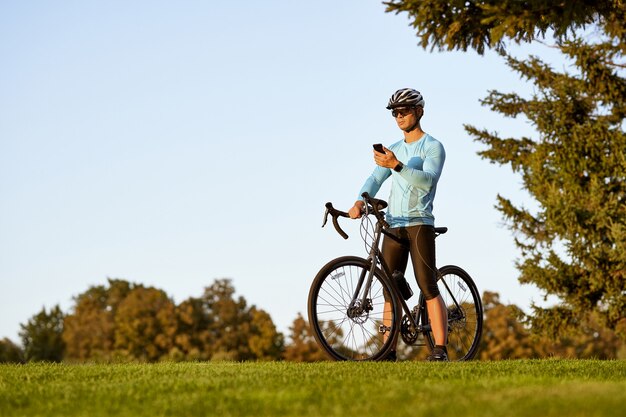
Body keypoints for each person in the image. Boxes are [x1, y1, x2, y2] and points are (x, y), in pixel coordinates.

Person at [347, 88, 448, 361]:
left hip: (419, 222)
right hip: (394, 222)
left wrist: (398, 166)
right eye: (395, 113)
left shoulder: (432, 146)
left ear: (419, 112)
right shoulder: (395, 149)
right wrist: (359, 201)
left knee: (427, 284)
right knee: (388, 288)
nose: (399, 116)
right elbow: (374, 179)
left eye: (404, 111)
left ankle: (440, 348)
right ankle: (387, 351)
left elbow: (428, 180)